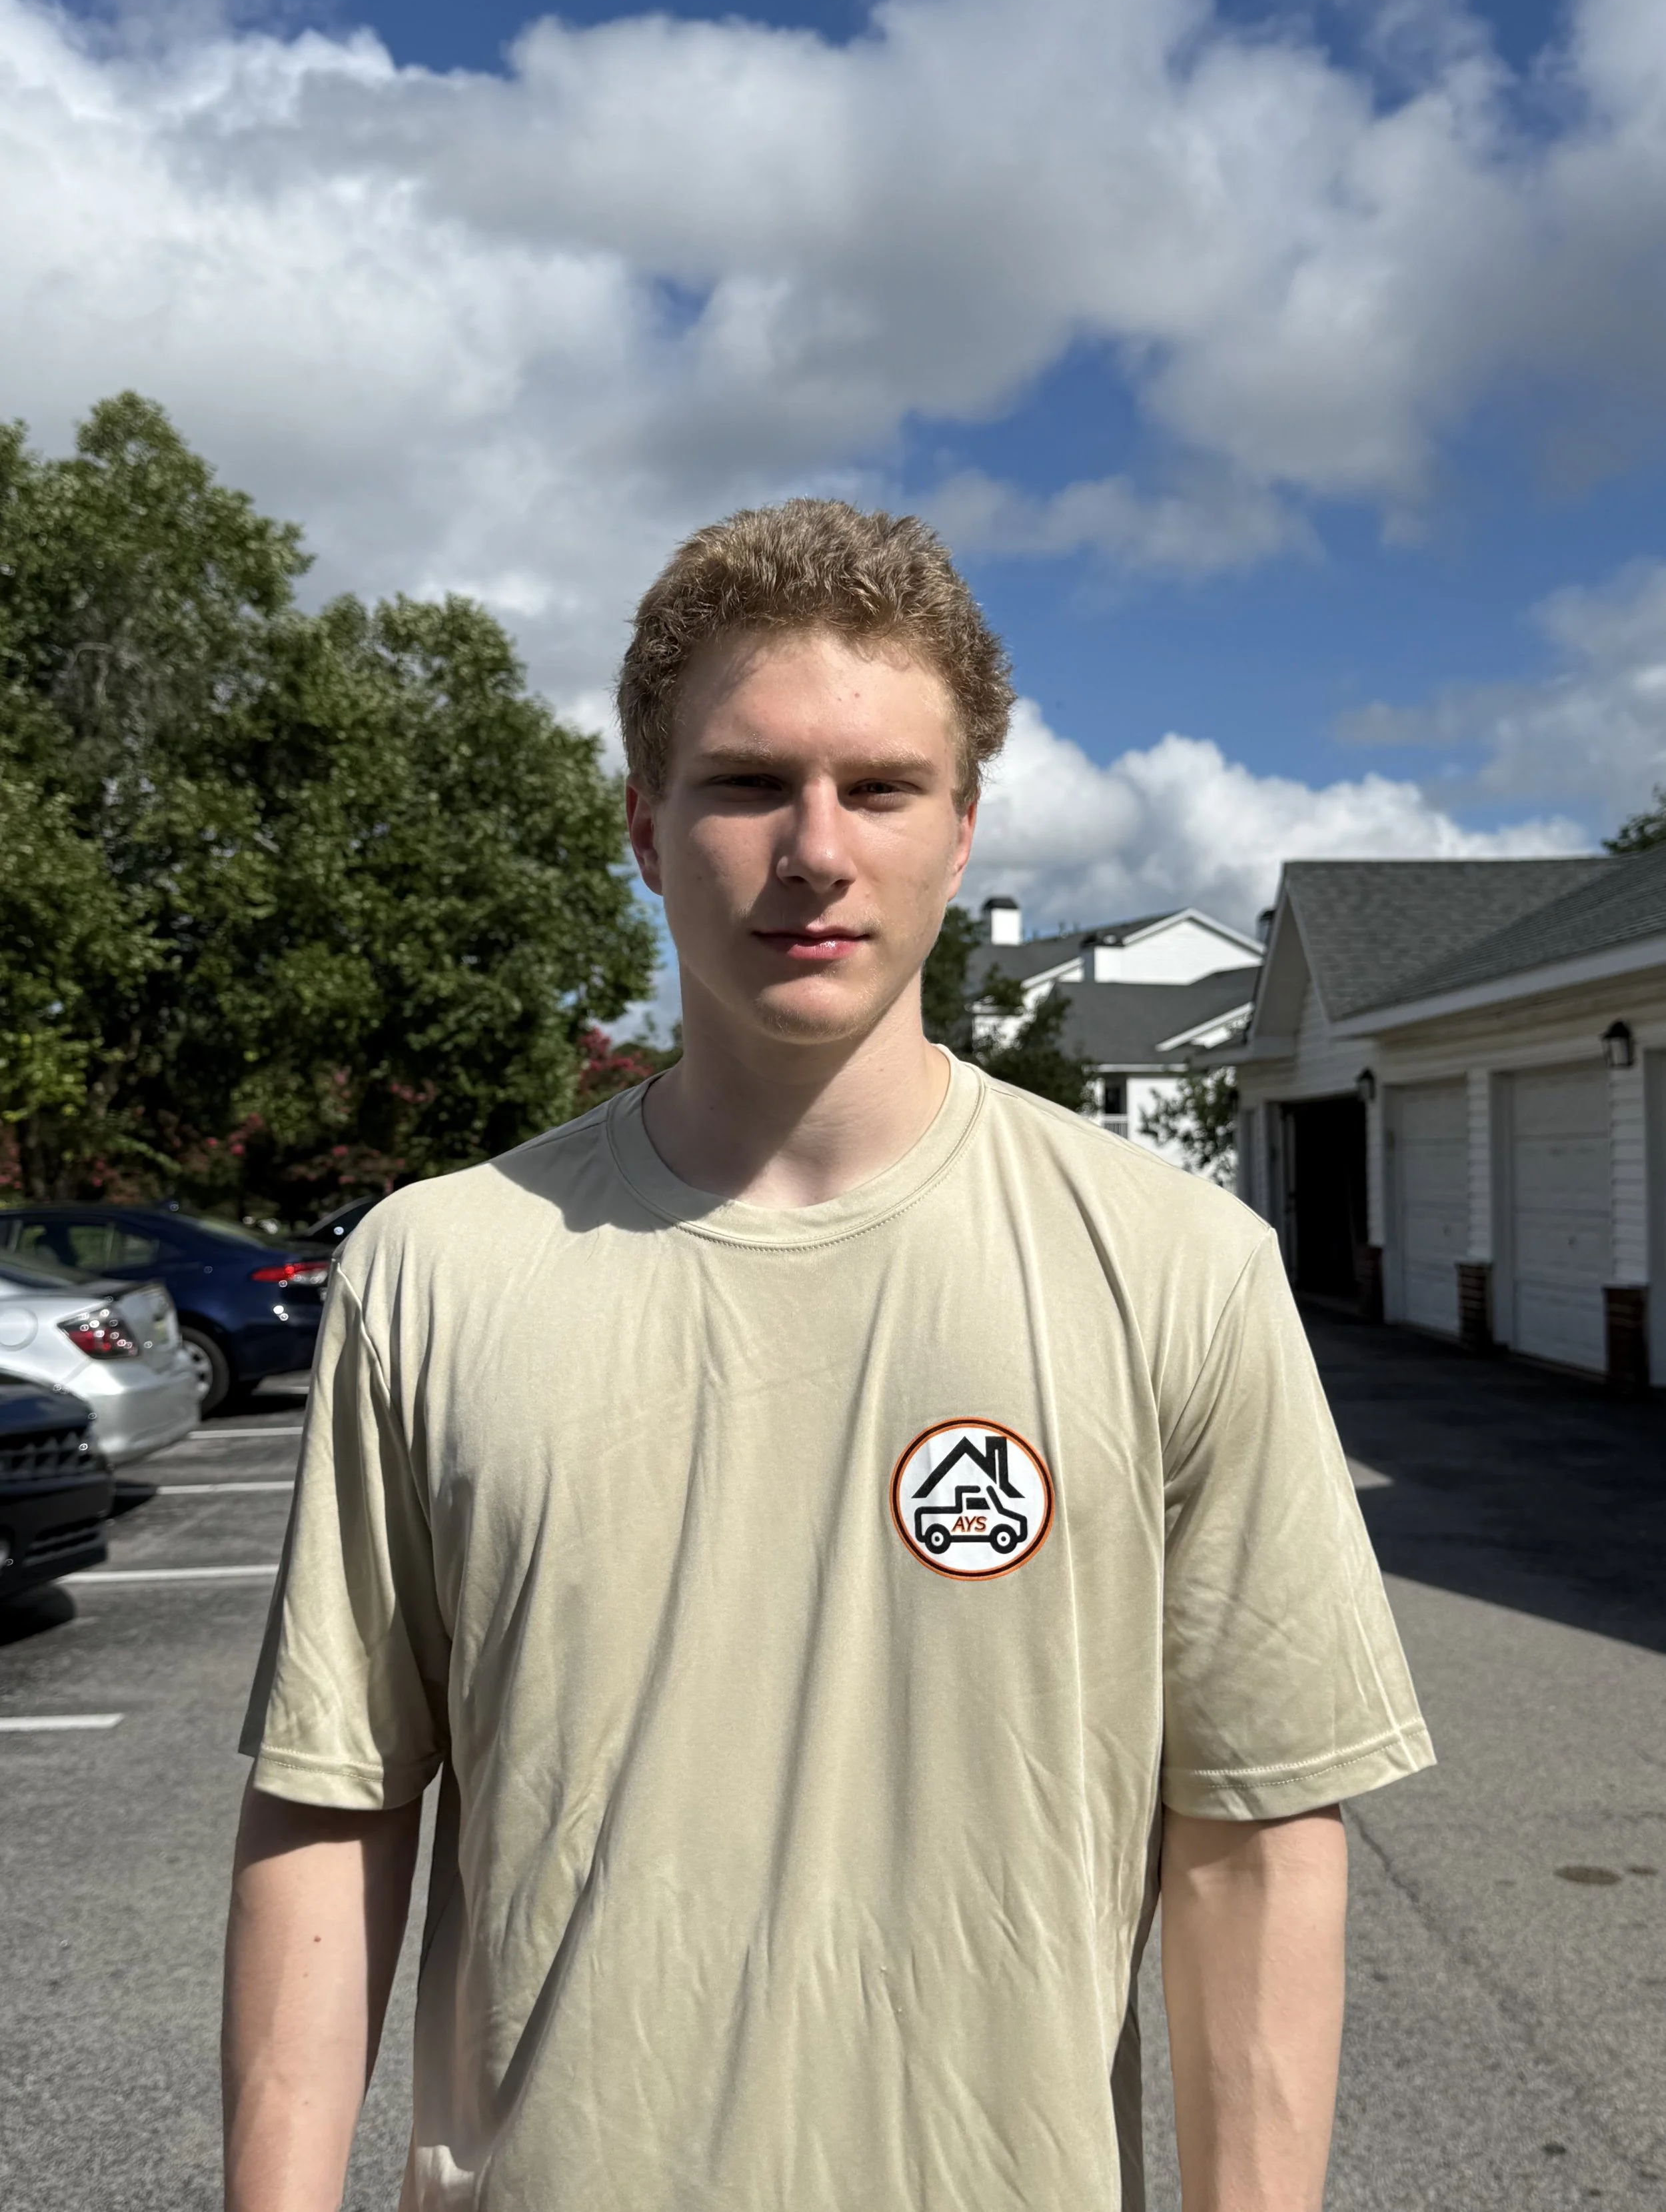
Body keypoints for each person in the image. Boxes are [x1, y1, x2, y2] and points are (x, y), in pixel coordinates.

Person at [224, 500, 1433, 2212]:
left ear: (960, 827)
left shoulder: (1177, 1270)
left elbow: (1248, 1841)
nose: (813, 849)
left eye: (876, 788)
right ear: (644, 827)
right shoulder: (436, 1268)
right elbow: (335, 1807)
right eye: (742, 784)